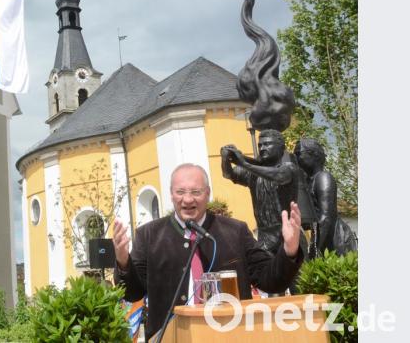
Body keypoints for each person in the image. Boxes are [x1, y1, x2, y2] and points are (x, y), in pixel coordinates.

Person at [113, 164, 304, 341]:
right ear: (171, 194)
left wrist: (289, 250)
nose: (188, 199)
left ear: (207, 194)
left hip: (229, 335)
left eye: (196, 192)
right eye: (180, 192)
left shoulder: (235, 231)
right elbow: (132, 293)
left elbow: (269, 280)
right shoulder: (149, 235)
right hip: (173, 337)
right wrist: (123, 262)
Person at [220, 129, 312, 253]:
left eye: (267, 144)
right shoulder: (253, 173)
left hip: (287, 235)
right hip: (264, 238)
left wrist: (243, 162)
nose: (262, 148)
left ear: (281, 148)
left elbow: (277, 175)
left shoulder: (289, 168)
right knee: (264, 270)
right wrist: (226, 158)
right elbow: (228, 174)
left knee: (296, 272)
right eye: (260, 145)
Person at [294, 138, 358, 256]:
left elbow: (326, 217)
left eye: (299, 154)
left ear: (314, 155)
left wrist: (315, 248)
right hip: (322, 235)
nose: (296, 159)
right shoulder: (308, 181)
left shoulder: (323, 177)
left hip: (335, 239)